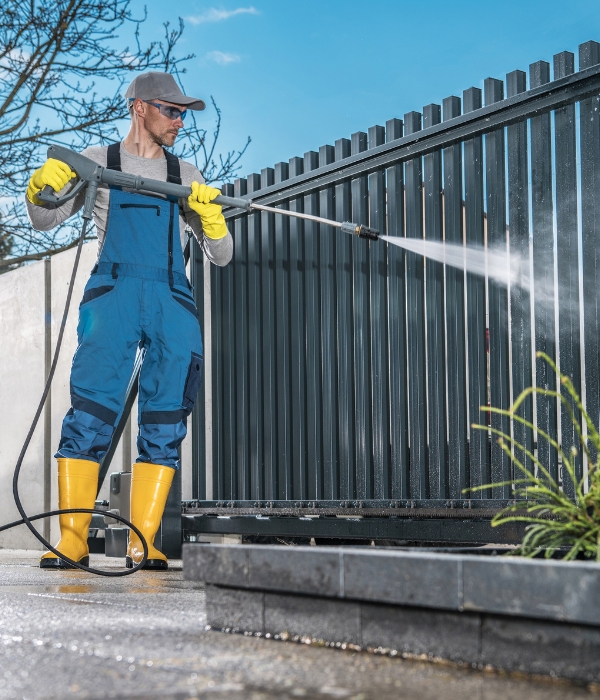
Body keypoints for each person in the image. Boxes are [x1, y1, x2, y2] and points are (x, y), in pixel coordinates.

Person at [25, 72, 232, 570]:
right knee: (91, 412)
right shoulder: (99, 163)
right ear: (140, 107)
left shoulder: (188, 173)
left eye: (184, 113)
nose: (181, 121)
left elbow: (221, 257)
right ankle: (73, 539)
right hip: (113, 296)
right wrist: (40, 188)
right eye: (171, 110)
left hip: (170, 297)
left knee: (165, 420)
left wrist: (211, 220)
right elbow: (44, 218)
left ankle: (144, 542)